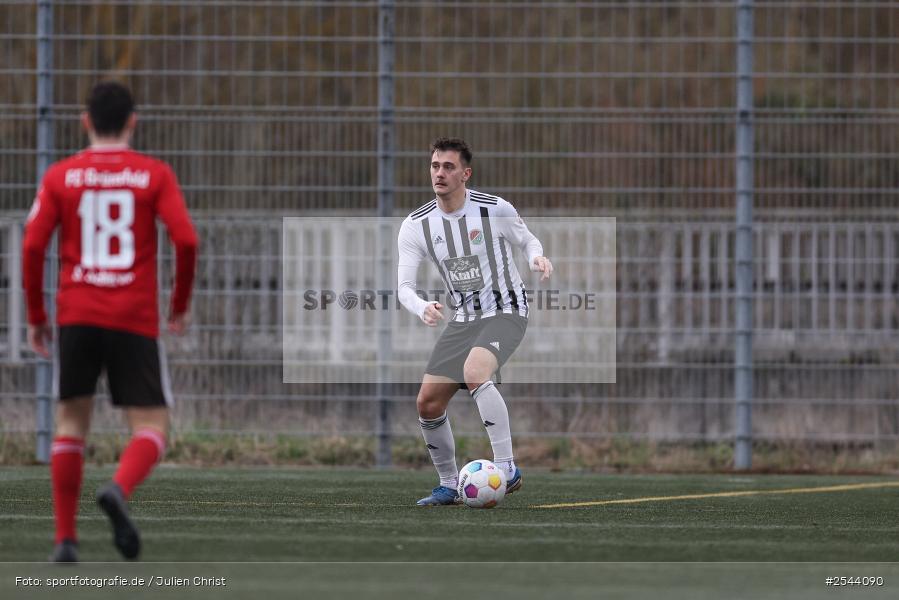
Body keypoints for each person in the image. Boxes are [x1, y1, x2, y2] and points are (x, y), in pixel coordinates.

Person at [22, 81, 198, 562]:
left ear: (85, 121)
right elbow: (185, 239)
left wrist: (38, 316)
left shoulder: (61, 175)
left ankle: (64, 540)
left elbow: (33, 245)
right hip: (133, 318)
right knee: (152, 427)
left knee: (69, 425)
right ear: (132, 121)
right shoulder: (153, 174)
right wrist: (179, 304)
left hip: (77, 315)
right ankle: (119, 489)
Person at [397, 137, 552, 506]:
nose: (440, 173)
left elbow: (528, 241)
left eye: (449, 167)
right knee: (428, 403)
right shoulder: (416, 225)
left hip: (507, 310)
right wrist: (422, 307)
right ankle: (450, 484)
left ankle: (507, 467)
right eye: (435, 166)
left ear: (466, 173)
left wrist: (537, 258)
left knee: (474, 371)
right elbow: (403, 287)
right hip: (464, 318)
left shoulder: (494, 209)